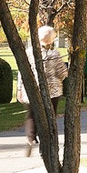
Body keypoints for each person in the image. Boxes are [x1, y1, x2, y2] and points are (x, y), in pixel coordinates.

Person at [22, 23, 68, 158]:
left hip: (32, 89)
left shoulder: (28, 53)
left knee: (31, 115)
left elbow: (22, 72)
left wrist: (20, 89)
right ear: (52, 39)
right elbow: (62, 73)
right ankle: (46, 146)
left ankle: (30, 138)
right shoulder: (54, 54)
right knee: (49, 117)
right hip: (52, 92)